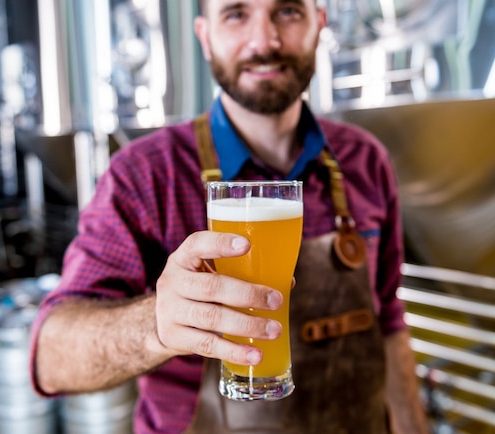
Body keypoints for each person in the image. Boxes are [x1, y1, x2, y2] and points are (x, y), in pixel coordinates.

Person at [30, 0, 429, 433]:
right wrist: (156, 325)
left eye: (289, 11)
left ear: (320, 24)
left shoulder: (363, 159)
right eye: (237, 13)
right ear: (205, 36)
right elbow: (51, 359)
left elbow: (388, 321)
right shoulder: (144, 174)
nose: (265, 40)